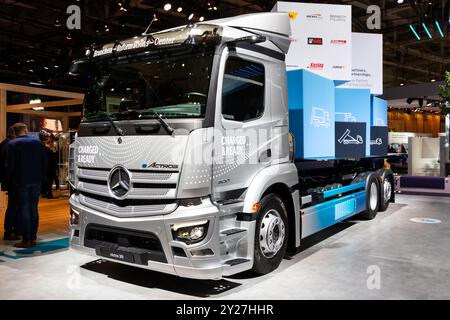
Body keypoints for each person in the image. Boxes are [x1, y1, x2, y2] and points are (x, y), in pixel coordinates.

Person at [5, 123, 47, 248]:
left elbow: (10, 166)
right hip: (36, 180)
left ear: (15, 132)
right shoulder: (38, 143)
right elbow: (44, 162)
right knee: (33, 208)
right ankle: (33, 238)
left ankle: (26, 240)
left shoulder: (12, 144)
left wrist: (8, 181)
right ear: (26, 130)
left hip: (20, 181)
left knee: (23, 209)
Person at [0, 126, 20, 240]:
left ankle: (11, 230)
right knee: (14, 206)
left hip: (9, 180)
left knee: (13, 206)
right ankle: (10, 231)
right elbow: (9, 165)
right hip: (13, 180)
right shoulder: (11, 145)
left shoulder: (4, 143)